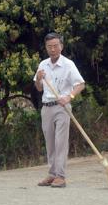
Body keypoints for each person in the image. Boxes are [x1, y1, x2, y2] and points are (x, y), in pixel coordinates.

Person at [34, 33, 85, 188]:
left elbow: (81, 84)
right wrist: (38, 77)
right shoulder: (42, 65)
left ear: (61, 46)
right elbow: (38, 88)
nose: (53, 49)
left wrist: (69, 97)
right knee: (50, 143)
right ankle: (52, 173)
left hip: (62, 107)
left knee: (60, 142)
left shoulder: (68, 64)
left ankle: (61, 176)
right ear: (46, 47)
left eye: (56, 46)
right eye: (50, 46)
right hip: (46, 107)